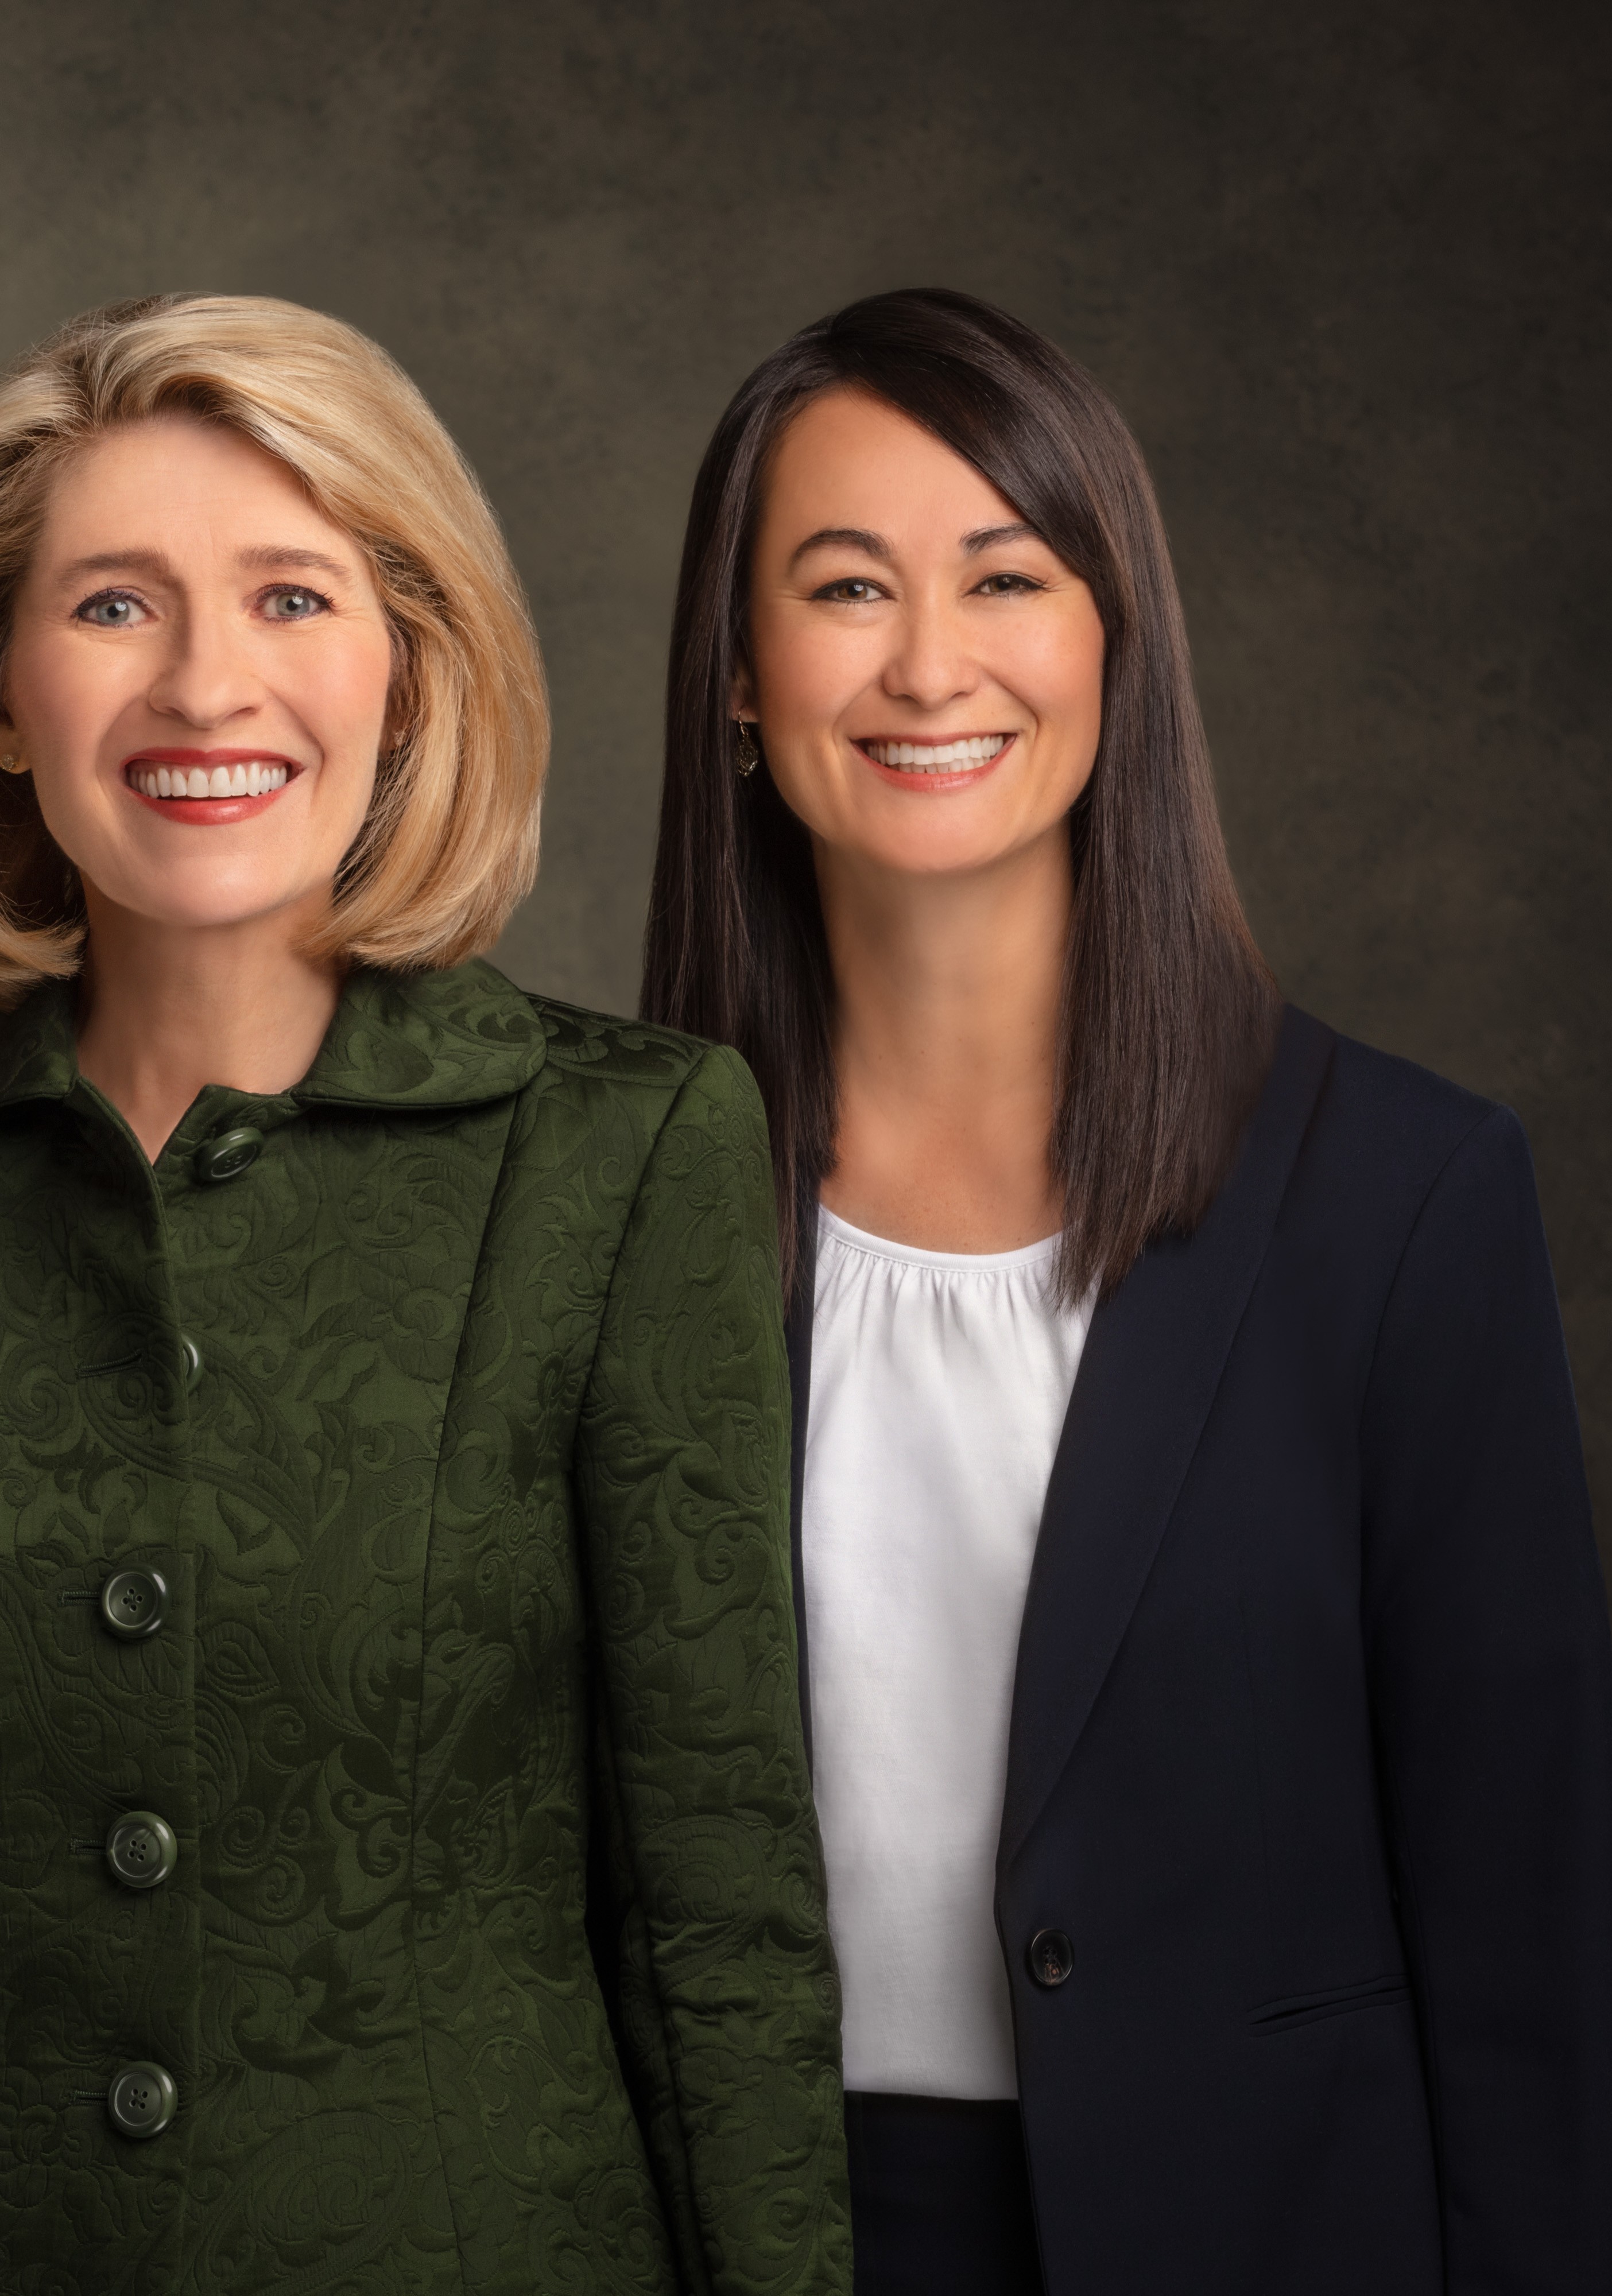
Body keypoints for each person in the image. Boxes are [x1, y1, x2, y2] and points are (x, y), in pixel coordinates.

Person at [0, 293, 848, 2296]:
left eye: (290, 597)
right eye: (111, 607)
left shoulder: (629, 1153)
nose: (204, 687)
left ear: (408, 672)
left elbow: (721, 1913)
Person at [640, 287, 1612, 2295]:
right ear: (738, 677)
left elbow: (1534, 1939)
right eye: (843, 587)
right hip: (739, 2234)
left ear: (1112, 644)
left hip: (1253, 2231)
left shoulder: (1403, 1197)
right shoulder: (612, 1199)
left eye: (1006, 575)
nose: (928, 665)